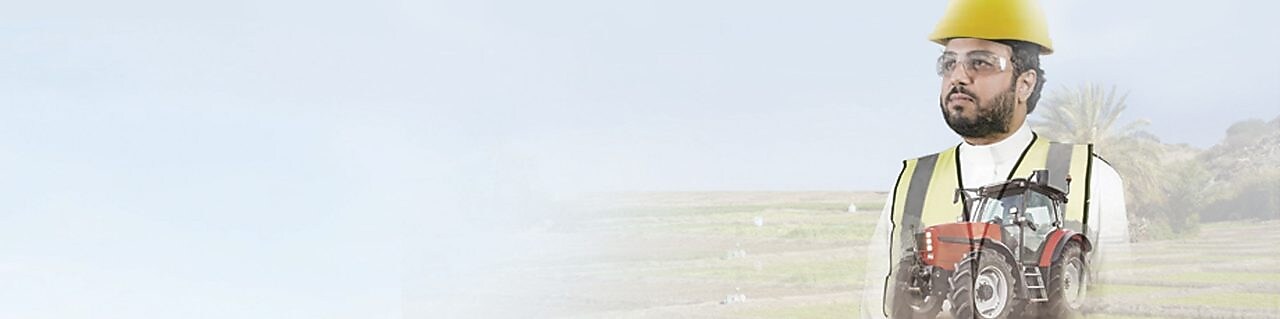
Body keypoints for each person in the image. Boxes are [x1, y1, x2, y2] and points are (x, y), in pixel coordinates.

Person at [859, 0, 1131, 318]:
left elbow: (1117, 308)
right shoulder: (910, 180)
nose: (958, 77)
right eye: (949, 64)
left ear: (1025, 84)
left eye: (980, 63)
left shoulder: (1094, 177)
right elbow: (875, 309)